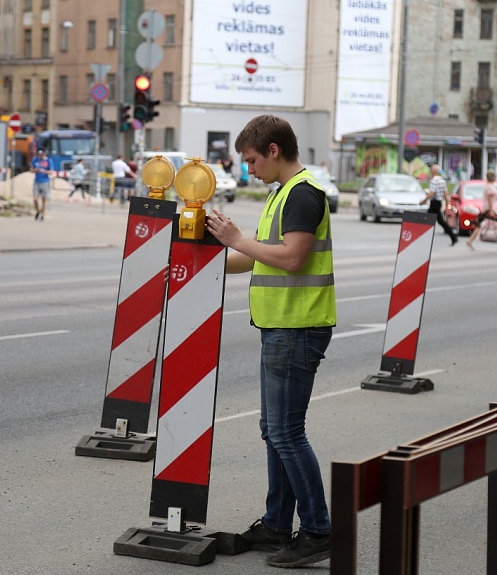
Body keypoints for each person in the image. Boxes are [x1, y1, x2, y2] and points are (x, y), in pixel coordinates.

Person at [205, 114, 334, 569]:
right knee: (273, 430)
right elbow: (263, 257)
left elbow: (293, 259)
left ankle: (318, 531)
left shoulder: (302, 194)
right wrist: (207, 263)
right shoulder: (282, 193)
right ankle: (278, 524)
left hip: (298, 328)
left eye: (252, 160)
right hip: (282, 326)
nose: (249, 169)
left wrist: (238, 238)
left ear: (274, 151)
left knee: (286, 432)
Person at [466, 170, 497, 251]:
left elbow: (492, 197)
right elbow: (489, 198)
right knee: (495, 225)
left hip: (488, 208)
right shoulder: (489, 186)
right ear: (492, 177)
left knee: (482, 225)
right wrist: (491, 210)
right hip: (489, 209)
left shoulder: (490, 185)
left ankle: (470, 240)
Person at [420, 164, 458, 246]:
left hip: (434, 202)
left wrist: (423, 201)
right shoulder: (442, 181)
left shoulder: (434, 181)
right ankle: (453, 236)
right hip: (439, 202)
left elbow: (431, 193)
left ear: (433, 171)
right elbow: (446, 193)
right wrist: (448, 203)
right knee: (439, 221)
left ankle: (423, 239)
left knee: (428, 221)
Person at [30, 149, 52, 221]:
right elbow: (31, 170)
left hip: (45, 181)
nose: (41, 156)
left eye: (42, 154)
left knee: (44, 199)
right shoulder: (35, 160)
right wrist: (36, 170)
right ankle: (37, 211)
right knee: (35, 198)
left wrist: (44, 171)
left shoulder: (48, 161)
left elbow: (51, 171)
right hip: (37, 181)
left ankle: (43, 214)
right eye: (40, 154)